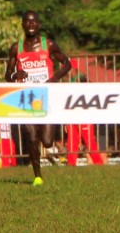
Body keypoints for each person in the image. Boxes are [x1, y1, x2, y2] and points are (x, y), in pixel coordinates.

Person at [5, 10, 71, 185]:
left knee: (48, 142)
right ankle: (37, 176)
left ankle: (45, 154)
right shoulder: (16, 48)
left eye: (34, 22)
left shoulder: (48, 44)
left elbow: (67, 63)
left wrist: (55, 78)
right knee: (32, 137)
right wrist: (15, 75)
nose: (31, 25)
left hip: (46, 96)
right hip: (27, 97)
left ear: (39, 25)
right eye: (27, 22)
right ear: (22, 25)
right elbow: (8, 74)